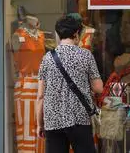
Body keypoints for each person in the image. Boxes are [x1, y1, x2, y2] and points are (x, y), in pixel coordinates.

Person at [36, 15, 103, 153]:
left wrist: (39, 124)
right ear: (76, 34)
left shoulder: (47, 58)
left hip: (53, 120)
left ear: (58, 34)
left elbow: (40, 96)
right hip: (79, 118)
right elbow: (99, 88)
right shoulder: (86, 55)